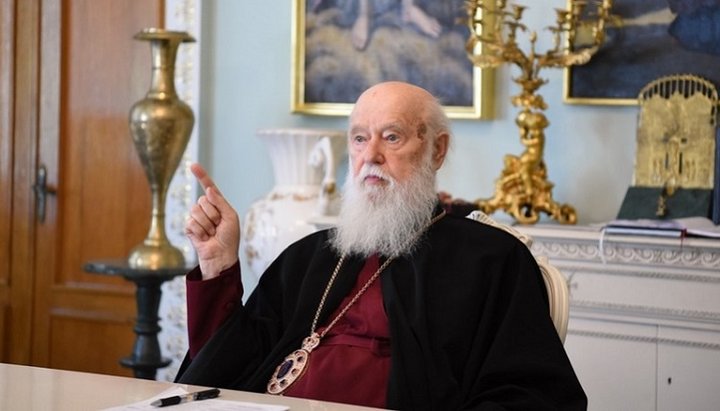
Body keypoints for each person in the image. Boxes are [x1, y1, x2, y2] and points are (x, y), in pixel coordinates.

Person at [176, 81, 587, 410]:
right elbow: (224, 369)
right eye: (359, 139)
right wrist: (217, 266)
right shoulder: (309, 255)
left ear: (436, 149)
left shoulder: (490, 259)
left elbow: (532, 394)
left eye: (392, 137)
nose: (370, 155)